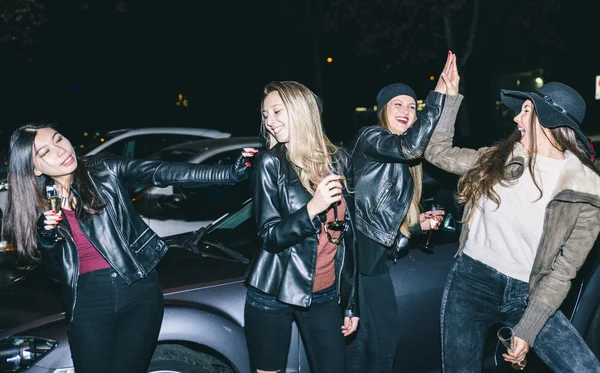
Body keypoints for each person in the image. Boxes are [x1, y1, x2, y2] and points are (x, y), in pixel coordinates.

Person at [1, 123, 257, 373]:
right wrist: (46, 237)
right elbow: (58, 274)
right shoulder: (42, 206)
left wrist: (227, 174)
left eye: (58, 139)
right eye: (45, 152)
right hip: (88, 301)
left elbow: (161, 171)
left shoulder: (102, 169)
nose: (60, 150)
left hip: (138, 290)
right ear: (33, 168)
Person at [425, 59, 600, 372]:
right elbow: (437, 152)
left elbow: (563, 271)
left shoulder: (586, 192)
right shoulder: (499, 159)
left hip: (527, 294)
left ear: (548, 120)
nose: (516, 117)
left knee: (584, 367)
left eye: (526, 111)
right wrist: (449, 99)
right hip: (471, 282)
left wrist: (527, 331)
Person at [346, 52, 455, 373]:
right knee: (380, 348)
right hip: (362, 262)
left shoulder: (402, 156)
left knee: (365, 349)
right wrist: (437, 97)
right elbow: (412, 146)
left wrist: (417, 224)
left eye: (412, 106)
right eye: (399, 104)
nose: (407, 110)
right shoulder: (372, 138)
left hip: (373, 261)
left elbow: (386, 210)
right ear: (382, 110)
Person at [244, 81, 359, 373]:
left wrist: (350, 303)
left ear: (299, 111)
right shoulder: (271, 163)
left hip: (323, 293)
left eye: (277, 111)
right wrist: (312, 208)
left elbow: (349, 240)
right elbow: (269, 236)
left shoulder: (339, 160)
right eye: (265, 114)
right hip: (273, 290)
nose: (269, 121)